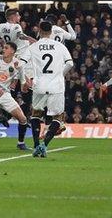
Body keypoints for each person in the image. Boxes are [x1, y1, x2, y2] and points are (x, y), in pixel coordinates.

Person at [22, 20, 74, 157]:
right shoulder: (60, 46)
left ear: (39, 30)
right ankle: (44, 145)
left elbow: (20, 64)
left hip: (39, 84)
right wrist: (59, 75)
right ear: (51, 31)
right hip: (56, 85)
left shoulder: (34, 47)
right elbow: (70, 63)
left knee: (36, 114)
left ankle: (35, 145)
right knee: (58, 116)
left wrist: (25, 80)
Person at [0, 42, 30, 151]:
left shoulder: (17, 64)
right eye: (3, 47)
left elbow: (22, 85)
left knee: (22, 119)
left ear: (12, 51)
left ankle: (21, 143)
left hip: (5, 94)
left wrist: (26, 85)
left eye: (6, 48)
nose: (3, 49)